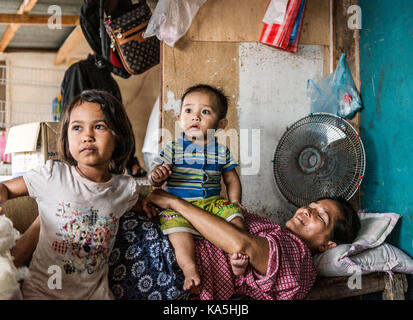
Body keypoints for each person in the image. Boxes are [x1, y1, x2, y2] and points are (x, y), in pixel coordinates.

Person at [0, 90, 146, 300]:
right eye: (77, 127)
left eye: (99, 126)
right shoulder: (52, 175)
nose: (87, 136)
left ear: (118, 137)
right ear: (66, 137)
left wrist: (152, 204)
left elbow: (140, 204)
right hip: (42, 293)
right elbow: (6, 188)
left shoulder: (124, 189)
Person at [141, 189, 361, 300]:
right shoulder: (276, 232)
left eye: (320, 217)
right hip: (167, 241)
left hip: (168, 266)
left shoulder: (298, 256)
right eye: (311, 206)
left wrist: (173, 202)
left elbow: (240, 245)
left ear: (327, 245)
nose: (307, 210)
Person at [148, 84, 248, 290]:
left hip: (213, 203)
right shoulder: (173, 148)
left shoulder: (221, 151)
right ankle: (189, 269)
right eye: (189, 110)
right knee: (177, 233)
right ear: (179, 119)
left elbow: (231, 179)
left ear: (221, 123)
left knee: (236, 217)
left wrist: (235, 201)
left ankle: (237, 254)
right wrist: (157, 177)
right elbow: (155, 177)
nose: (195, 117)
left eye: (205, 111)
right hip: (179, 207)